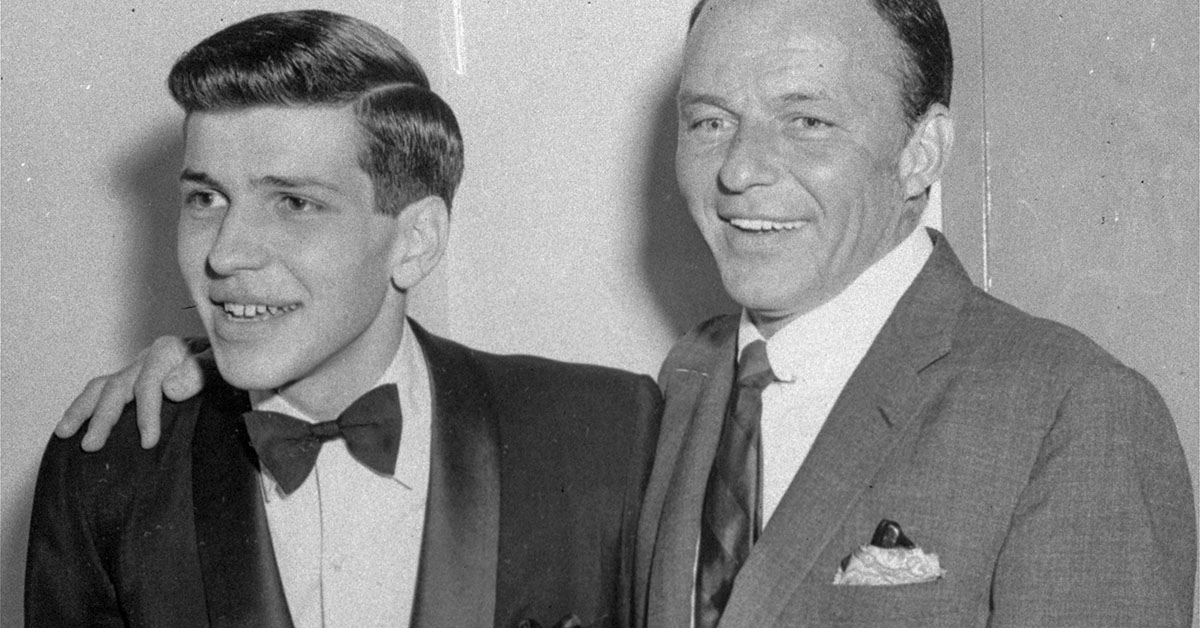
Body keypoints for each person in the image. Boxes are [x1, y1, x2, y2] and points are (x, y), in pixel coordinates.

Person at [58, 0, 1197, 626]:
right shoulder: (677, 394)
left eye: (807, 121)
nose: (741, 169)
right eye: (709, 120)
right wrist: (220, 351)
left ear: (922, 152)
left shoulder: (1072, 414)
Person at [27, 11, 660, 628]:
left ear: (415, 242)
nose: (225, 253)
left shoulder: (608, 436)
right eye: (206, 198)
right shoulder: (106, 470)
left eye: (293, 202)